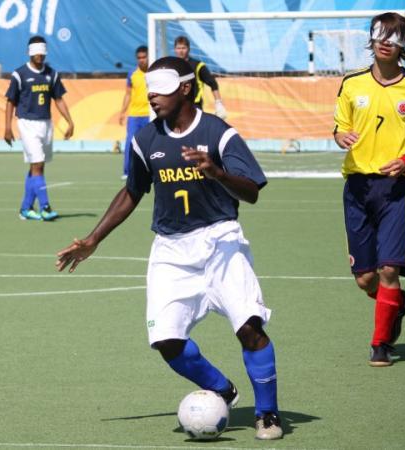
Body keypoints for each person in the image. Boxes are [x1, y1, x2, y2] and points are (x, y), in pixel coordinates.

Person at [56, 56, 282, 440]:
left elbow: (253, 192)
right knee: (166, 341)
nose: (152, 98)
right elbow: (132, 191)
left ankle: (268, 414)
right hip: (171, 249)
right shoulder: (145, 139)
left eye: (159, 91)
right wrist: (93, 239)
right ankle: (223, 390)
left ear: (186, 88)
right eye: (149, 91)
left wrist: (217, 172)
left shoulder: (219, 133)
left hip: (221, 240)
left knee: (249, 327)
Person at [333, 12, 405, 367]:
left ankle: (380, 344)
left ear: (404, 44)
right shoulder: (351, 83)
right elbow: (340, 124)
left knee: (390, 270)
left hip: (395, 190)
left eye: (395, 37)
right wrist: (340, 135)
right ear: (371, 40)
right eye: (380, 35)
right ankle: (396, 304)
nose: (386, 42)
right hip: (357, 187)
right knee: (365, 279)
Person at [4, 35, 75, 221]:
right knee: (37, 164)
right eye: (36, 54)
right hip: (27, 124)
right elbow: (10, 101)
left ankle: (25, 208)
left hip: (46, 123)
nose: (40, 57)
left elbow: (58, 99)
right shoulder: (19, 74)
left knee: (38, 166)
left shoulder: (52, 74)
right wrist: (7, 127)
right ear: (30, 53)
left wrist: (70, 121)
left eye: (42, 54)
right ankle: (45, 207)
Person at [173, 36, 227, 119]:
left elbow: (213, 83)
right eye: (178, 48)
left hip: (195, 106)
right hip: (176, 106)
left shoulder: (198, 65)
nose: (181, 51)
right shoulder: (171, 66)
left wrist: (218, 103)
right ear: (175, 49)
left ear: (188, 49)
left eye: (183, 48)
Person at [119, 45, 150, 180]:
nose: (142, 60)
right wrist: (122, 112)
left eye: (144, 57)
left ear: (149, 57)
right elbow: (127, 94)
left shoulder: (154, 73)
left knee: (150, 145)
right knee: (130, 143)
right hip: (135, 115)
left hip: (150, 114)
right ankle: (128, 172)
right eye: (139, 58)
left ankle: (150, 171)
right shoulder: (132, 74)